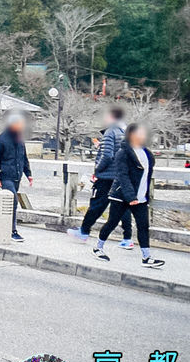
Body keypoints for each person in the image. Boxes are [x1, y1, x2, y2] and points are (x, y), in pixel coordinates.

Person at [93, 123, 164, 268]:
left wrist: (142, 195)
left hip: (141, 197)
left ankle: (146, 257)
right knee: (112, 222)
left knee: (143, 226)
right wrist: (131, 197)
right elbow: (122, 176)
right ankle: (98, 247)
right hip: (121, 195)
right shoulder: (123, 153)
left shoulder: (145, 152)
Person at [68, 107, 132, 246]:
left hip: (107, 176)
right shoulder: (125, 131)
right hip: (121, 175)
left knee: (97, 204)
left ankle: (84, 231)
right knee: (122, 206)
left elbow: (107, 156)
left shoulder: (110, 132)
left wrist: (97, 170)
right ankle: (127, 238)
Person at [0, 114, 33, 242]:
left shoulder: (19, 140)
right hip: (5, 175)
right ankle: (12, 231)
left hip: (16, 175)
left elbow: (24, 158)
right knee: (12, 201)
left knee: (6, 202)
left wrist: (28, 174)